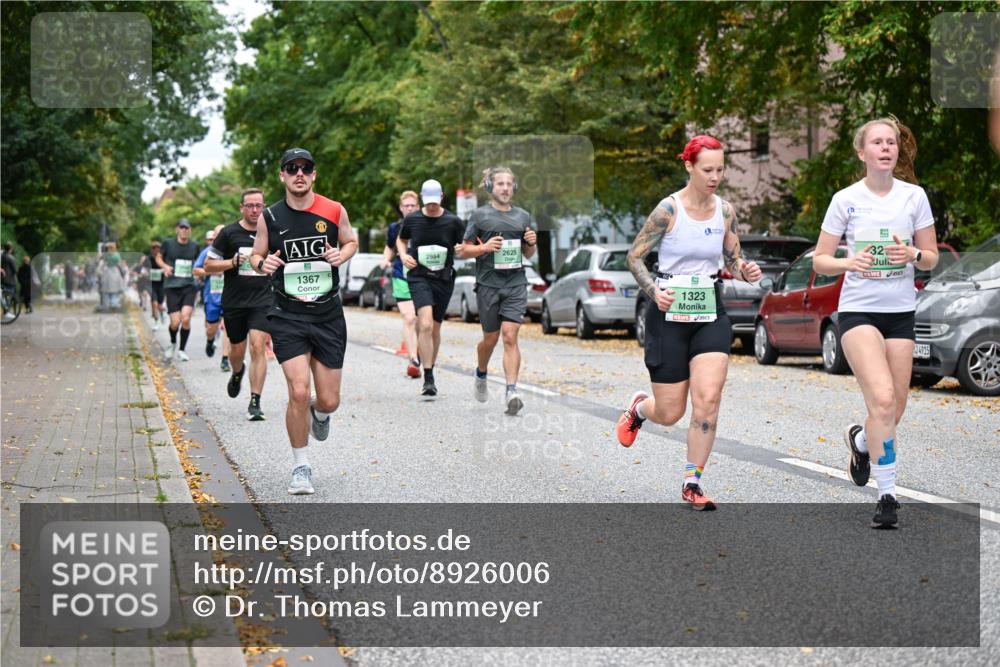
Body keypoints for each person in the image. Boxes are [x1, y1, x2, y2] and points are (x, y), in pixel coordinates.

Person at [617, 135, 762, 511]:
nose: (715, 176)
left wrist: (744, 270)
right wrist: (654, 291)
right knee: (670, 412)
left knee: (708, 400)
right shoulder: (668, 210)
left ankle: (692, 482)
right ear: (689, 167)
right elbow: (634, 257)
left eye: (720, 169)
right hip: (668, 313)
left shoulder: (725, 211)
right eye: (707, 169)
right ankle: (639, 409)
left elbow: (733, 259)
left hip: (709, 311)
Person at [813, 117, 938, 529]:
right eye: (878, 142)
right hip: (858, 312)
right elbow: (820, 259)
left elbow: (932, 255)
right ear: (862, 152)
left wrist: (914, 257)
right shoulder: (846, 199)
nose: (886, 148)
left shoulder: (914, 197)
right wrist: (850, 261)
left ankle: (862, 442)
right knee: (882, 399)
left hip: (900, 313)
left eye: (892, 142)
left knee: (894, 408)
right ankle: (887, 496)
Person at [251, 148, 358, 495]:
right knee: (298, 391)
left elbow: (351, 240)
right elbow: (257, 253)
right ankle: (301, 467)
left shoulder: (333, 209)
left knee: (328, 400)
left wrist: (342, 253)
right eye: (292, 168)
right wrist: (260, 264)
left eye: (306, 168)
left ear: (314, 175)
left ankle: (320, 414)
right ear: (282, 175)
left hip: (327, 315)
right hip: (287, 314)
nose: (299, 173)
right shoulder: (270, 216)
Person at [462, 167, 538, 415]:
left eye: (509, 184)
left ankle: (511, 391)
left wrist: (531, 243)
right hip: (488, 285)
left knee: (509, 336)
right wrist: (484, 249)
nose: (505, 188)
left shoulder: (523, 216)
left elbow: (528, 253)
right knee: (490, 339)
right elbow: (463, 249)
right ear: (491, 188)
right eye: (500, 184)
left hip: (515, 283)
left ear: (514, 187)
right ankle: (481, 373)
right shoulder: (480, 216)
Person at [204, 188, 274, 421]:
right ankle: (237, 372)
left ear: (264, 207)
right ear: (242, 207)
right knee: (237, 350)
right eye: (250, 206)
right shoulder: (229, 233)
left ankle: (255, 401)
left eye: (259, 206)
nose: (255, 210)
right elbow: (208, 266)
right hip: (234, 301)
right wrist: (232, 262)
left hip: (262, 300)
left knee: (257, 345)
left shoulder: (271, 232)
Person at [397, 179, 466, 396]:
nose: (432, 206)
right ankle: (428, 377)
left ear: (442, 197)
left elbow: (464, 246)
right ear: (422, 198)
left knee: (435, 328)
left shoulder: (453, 221)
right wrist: (404, 255)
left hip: (443, 278)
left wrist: (463, 248)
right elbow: (401, 240)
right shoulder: (413, 219)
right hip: (419, 276)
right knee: (424, 323)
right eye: (428, 203)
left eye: (435, 202)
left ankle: (430, 367)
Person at [383, 190, 421, 378]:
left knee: (422, 320)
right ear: (401, 208)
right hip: (401, 275)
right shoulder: (394, 228)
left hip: (423, 276)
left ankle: (421, 350)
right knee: (408, 317)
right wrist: (386, 260)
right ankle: (413, 358)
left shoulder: (426, 225)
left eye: (413, 205)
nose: (409, 208)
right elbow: (390, 248)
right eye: (406, 205)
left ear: (418, 206)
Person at [157, 218, 201, 361]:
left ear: (190, 230)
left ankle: (182, 349)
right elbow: (158, 258)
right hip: (172, 286)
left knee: (186, 318)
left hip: (189, 286)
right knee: (175, 322)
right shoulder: (168, 243)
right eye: (181, 227)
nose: (184, 230)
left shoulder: (194, 246)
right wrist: (165, 267)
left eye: (186, 228)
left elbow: (199, 263)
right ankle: (172, 343)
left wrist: (198, 272)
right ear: (177, 229)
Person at [193, 226, 230, 365]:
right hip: (212, 297)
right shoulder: (208, 252)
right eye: (217, 234)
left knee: (228, 328)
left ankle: (225, 358)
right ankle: (210, 340)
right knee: (211, 329)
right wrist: (213, 271)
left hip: (230, 296)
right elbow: (196, 270)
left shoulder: (232, 250)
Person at [147, 240, 166, 330]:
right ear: (152, 250)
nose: (156, 250)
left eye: (158, 249)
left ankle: (162, 313)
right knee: (154, 304)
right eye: (154, 248)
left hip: (162, 284)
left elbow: (168, 268)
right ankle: (156, 322)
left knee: (159, 305)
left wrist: (162, 271)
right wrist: (147, 272)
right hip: (152, 285)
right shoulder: (149, 259)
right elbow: (144, 269)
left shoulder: (163, 259)